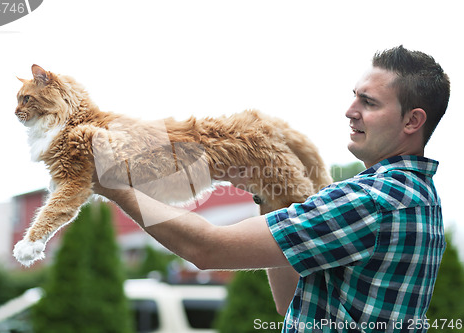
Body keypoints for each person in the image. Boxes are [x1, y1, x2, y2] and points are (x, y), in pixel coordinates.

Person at [93, 45, 450, 332]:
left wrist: (113, 186)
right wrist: (266, 194)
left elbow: (205, 249)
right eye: (354, 96)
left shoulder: (370, 201)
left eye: (368, 102)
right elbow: (289, 302)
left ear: (412, 120)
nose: (349, 110)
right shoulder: (419, 195)